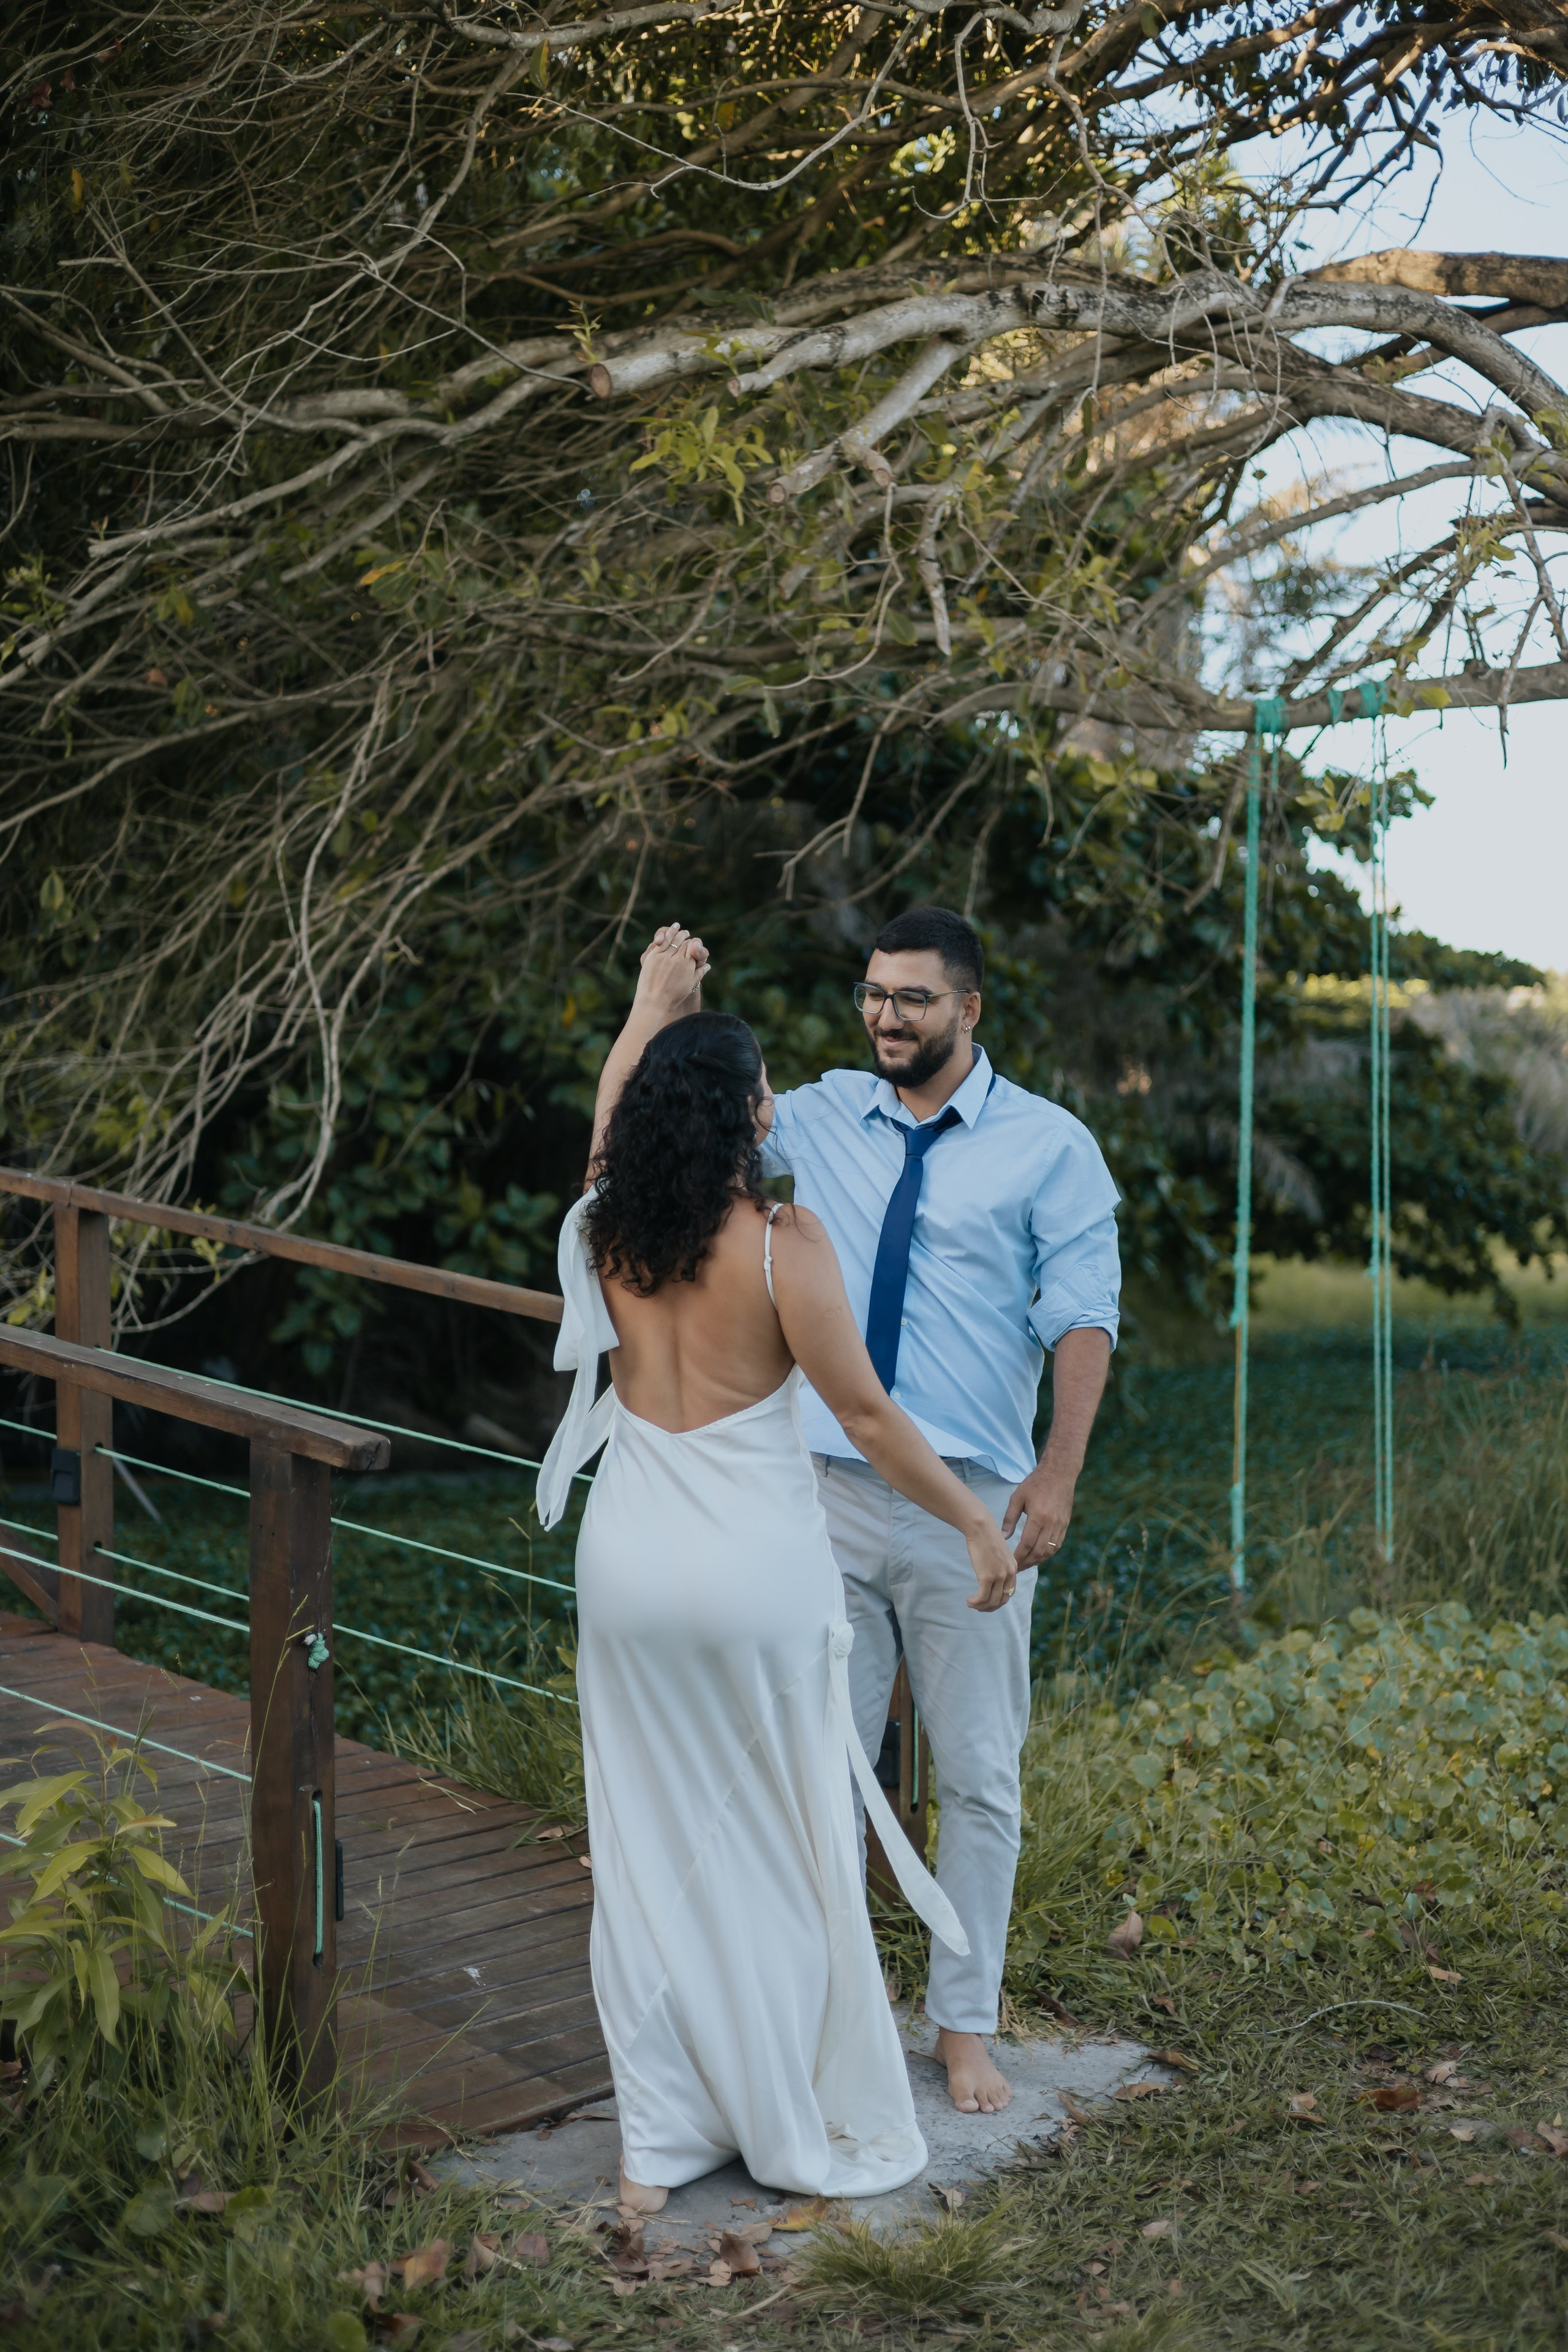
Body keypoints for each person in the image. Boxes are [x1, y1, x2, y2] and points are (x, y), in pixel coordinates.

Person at [537, 925, 1022, 2212]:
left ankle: (660, 2142)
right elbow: (864, 1419)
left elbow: (606, 1124)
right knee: (780, 1843)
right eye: (761, 1091)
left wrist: (648, 1001)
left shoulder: (609, 1231)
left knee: (644, 1851)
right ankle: (782, 2111)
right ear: (751, 1111)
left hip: (630, 1568)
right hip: (755, 1578)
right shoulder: (780, 1242)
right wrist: (974, 1524)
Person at [760, 904, 1120, 2117]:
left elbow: (1082, 1315)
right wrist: (661, 997)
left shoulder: (1049, 1147)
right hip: (819, 1495)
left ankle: (961, 2024)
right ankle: (827, 2015)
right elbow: (666, 1119)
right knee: (818, 1769)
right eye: (871, 993)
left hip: (969, 1502)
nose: (883, 1016)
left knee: (973, 1775)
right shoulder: (812, 1118)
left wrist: (1056, 1473)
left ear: (967, 1010)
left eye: (911, 999)